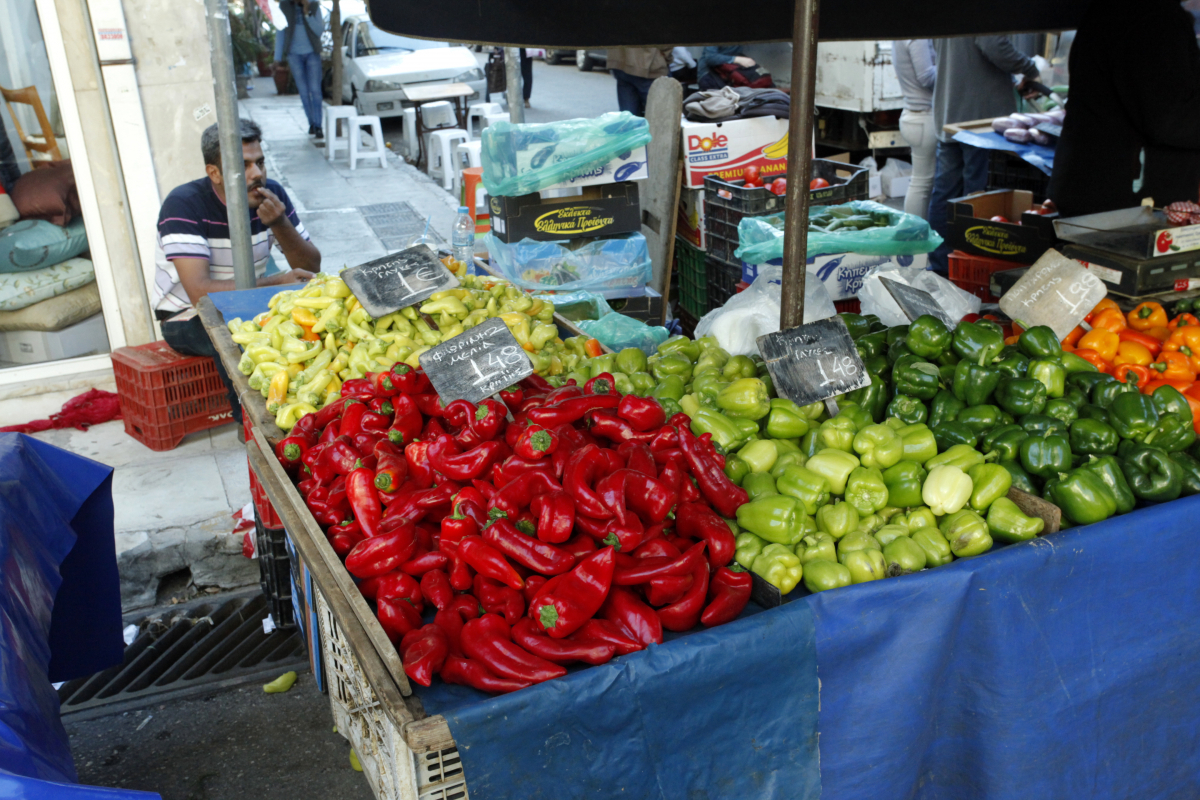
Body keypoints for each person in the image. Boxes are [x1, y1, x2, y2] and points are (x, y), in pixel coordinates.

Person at [153, 119, 320, 424]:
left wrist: (280, 224)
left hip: (250, 302)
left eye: (260, 162)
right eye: (243, 165)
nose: (257, 174)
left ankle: (310, 411)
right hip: (185, 318)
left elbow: (310, 267)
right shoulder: (184, 205)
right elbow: (199, 293)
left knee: (316, 321)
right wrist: (274, 283)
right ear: (214, 173)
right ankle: (253, 425)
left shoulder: (270, 194)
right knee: (239, 333)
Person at [1048, 0, 1200, 217]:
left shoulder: (1123, 9)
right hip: (1119, 201)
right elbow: (1169, 119)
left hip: (1099, 189)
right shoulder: (1152, 18)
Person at [926, 37, 1040, 273]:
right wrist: (1030, 67)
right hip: (979, 120)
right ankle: (966, 268)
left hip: (949, 113)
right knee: (975, 196)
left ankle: (940, 266)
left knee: (945, 194)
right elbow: (994, 44)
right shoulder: (985, 8)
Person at [892, 40, 937, 219]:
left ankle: (915, 234)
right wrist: (953, 66)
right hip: (924, 116)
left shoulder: (901, 36)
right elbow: (927, 76)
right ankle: (914, 235)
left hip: (915, 114)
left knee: (920, 181)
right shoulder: (917, 38)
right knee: (922, 183)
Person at [277, 0, 325, 139]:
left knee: (315, 91)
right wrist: (277, 57)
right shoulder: (285, 6)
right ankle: (311, 123)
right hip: (294, 54)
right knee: (304, 92)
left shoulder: (314, 5)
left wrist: (307, 13)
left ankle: (318, 125)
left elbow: (319, 30)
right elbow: (280, 31)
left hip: (312, 53)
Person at [607, 48, 673, 117]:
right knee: (660, 117)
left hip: (621, 60)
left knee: (629, 118)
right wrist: (666, 57)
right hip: (649, 64)